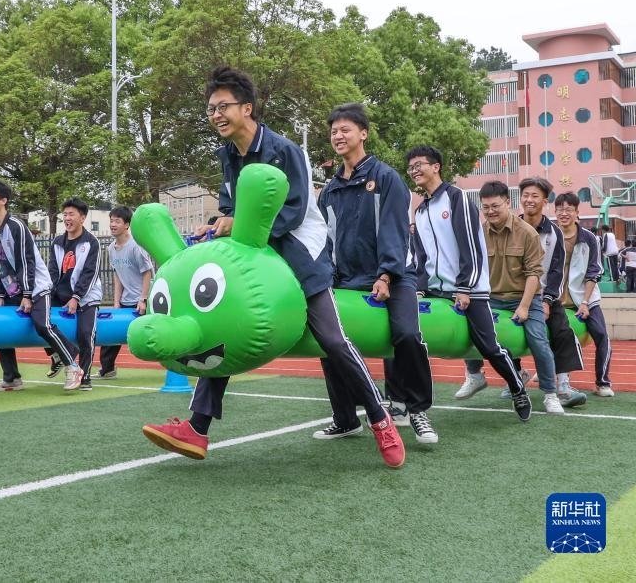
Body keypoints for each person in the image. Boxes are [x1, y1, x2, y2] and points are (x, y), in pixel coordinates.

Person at [142, 66, 406, 468]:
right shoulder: (227, 156)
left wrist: (239, 225)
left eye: (223, 106)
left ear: (246, 108)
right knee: (221, 323)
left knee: (333, 340)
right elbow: (231, 208)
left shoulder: (285, 150)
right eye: (211, 109)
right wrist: (218, 224)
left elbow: (294, 211)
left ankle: (380, 419)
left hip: (298, 249)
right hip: (256, 252)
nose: (216, 115)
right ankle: (197, 428)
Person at [316, 103, 437, 444]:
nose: (338, 136)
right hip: (345, 280)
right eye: (334, 131)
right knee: (329, 340)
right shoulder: (330, 190)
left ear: (363, 134)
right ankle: (345, 419)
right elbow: (326, 239)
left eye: (346, 130)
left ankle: (417, 410)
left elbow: (395, 232)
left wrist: (386, 276)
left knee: (407, 335)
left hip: (394, 277)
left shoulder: (386, 178)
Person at [407, 146, 532, 421]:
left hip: (470, 289)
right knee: (410, 338)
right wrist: (419, 288)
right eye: (411, 167)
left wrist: (464, 287)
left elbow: (470, 246)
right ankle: (407, 402)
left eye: (419, 165)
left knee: (488, 347)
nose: (414, 171)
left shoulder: (456, 198)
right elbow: (421, 256)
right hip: (435, 290)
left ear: (436, 166)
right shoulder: (421, 210)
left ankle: (517, 387)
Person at [463, 181, 563, 414]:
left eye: (495, 206)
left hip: (524, 296)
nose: (490, 211)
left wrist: (525, 306)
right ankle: (474, 375)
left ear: (507, 203)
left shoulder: (527, 233)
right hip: (490, 298)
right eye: (485, 207)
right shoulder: (478, 233)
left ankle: (550, 393)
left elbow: (534, 274)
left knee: (538, 340)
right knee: (467, 327)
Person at [0, 181, 83, 392]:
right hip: (10, 290)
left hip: (36, 286)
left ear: (3, 200)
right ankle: (11, 378)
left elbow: (27, 261)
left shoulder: (15, 226)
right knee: (1, 328)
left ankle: (72, 365)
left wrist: (27, 294)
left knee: (42, 324)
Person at [518, 177, 586, 407]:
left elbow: (557, 271)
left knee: (562, 331)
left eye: (535, 196)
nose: (529, 200)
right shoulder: (512, 227)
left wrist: (547, 301)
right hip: (513, 294)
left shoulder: (554, 233)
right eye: (525, 195)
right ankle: (516, 378)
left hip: (543, 294)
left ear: (544, 201)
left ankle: (563, 385)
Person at [554, 193, 613, 397]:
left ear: (577, 212)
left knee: (601, 335)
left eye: (568, 209)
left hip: (585, 297)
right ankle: (551, 373)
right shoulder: (550, 236)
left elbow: (594, 271)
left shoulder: (589, 238)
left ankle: (602, 382)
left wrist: (585, 302)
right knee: (548, 335)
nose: (564, 213)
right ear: (555, 212)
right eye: (560, 209)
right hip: (556, 298)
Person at [48, 198, 103, 391]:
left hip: (87, 296)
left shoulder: (91, 242)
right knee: (40, 320)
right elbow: (52, 271)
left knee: (85, 334)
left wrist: (76, 297)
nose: (67, 218)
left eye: (71, 214)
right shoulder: (57, 242)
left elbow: (90, 273)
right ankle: (57, 355)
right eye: (65, 215)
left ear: (82, 217)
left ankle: (85, 376)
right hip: (60, 294)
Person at [98, 205, 154, 379]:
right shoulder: (111, 248)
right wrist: (116, 303)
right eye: (111, 221)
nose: (113, 224)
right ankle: (107, 369)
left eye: (117, 221)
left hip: (142, 300)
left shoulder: (136, 246)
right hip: (125, 299)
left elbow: (147, 272)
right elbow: (117, 276)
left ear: (127, 225)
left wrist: (143, 299)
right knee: (110, 332)